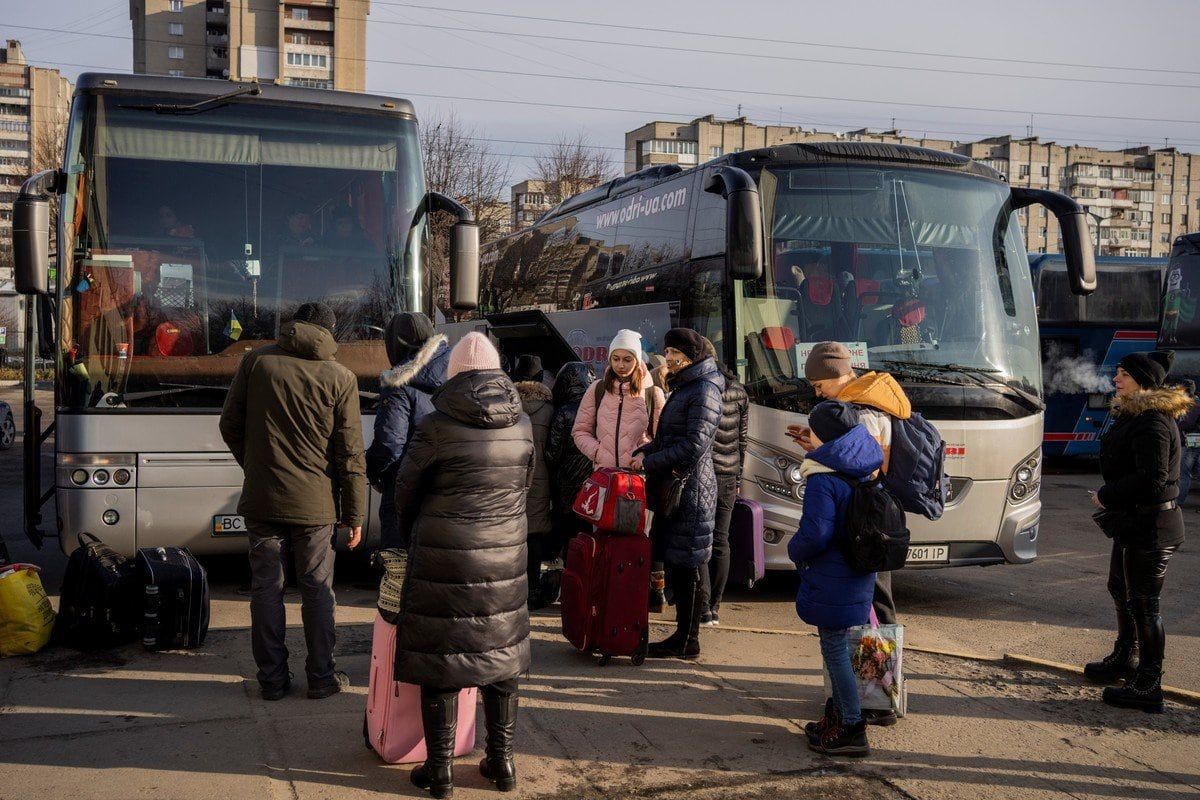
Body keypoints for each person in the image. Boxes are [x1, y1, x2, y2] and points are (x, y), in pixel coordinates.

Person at [391, 332, 534, 797]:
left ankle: (440, 772)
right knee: (501, 658)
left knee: (443, 662)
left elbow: (404, 491)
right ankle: (502, 763)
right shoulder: (522, 423)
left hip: (444, 557)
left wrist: (416, 534)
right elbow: (525, 486)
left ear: (453, 374)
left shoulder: (435, 425)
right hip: (505, 555)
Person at [219, 302, 365, 701]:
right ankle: (321, 678)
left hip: (263, 499)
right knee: (317, 589)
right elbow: (350, 454)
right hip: (316, 505)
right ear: (329, 332)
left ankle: (272, 681)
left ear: (294, 326)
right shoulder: (341, 378)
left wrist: (256, 467)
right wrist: (354, 512)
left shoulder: (257, 363)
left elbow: (229, 424)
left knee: (267, 589)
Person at [1087, 350, 1187, 713]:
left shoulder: (1153, 421)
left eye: (1124, 374)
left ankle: (1148, 685)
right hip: (1134, 523)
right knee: (1120, 590)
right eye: (1117, 372)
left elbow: (1153, 479)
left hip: (1153, 527)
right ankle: (1124, 659)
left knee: (1145, 606)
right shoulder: (1136, 414)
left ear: (1142, 381)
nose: (1116, 379)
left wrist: (1107, 494)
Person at [789, 341, 909, 630]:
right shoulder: (868, 402)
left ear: (835, 375)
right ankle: (874, 654)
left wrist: (824, 453)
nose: (818, 393)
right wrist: (820, 443)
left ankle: (881, 658)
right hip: (873, 512)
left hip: (866, 519)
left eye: (819, 385)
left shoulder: (862, 410)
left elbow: (863, 463)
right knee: (875, 597)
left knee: (876, 603)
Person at [788, 401, 881, 757]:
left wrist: (794, 549)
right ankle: (839, 715)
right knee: (837, 645)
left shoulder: (822, 477)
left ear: (824, 436)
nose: (808, 433)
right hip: (855, 569)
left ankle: (852, 726)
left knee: (834, 648)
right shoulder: (859, 464)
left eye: (812, 429)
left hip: (832, 572)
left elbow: (816, 533)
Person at [632, 327, 723, 659]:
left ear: (690, 356)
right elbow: (668, 438)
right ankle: (683, 637)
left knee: (688, 565)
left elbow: (695, 445)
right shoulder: (686, 386)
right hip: (678, 487)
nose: (667, 358)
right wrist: (646, 451)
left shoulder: (704, 389)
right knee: (679, 564)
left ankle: (687, 639)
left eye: (672, 353)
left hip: (691, 490)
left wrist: (649, 462)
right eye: (667, 352)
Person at [572, 329, 665, 606]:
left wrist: (643, 455)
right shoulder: (597, 390)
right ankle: (602, 599)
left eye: (627, 359)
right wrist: (597, 451)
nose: (621, 365)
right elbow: (580, 431)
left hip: (636, 484)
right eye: (616, 359)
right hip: (603, 481)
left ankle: (632, 600)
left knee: (635, 542)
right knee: (602, 540)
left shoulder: (652, 393)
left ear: (638, 360)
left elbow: (662, 439)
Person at [366, 312, 449, 549]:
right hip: (451, 485)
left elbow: (390, 443)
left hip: (406, 487)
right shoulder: (459, 370)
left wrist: (374, 471)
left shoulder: (398, 383)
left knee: (399, 561)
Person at [701, 337, 749, 626]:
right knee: (721, 539)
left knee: (700, 539)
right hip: (729, 473)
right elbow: (742, 439)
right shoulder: (739, 390)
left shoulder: (703, 386)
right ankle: (715, 606)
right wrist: (739, 476)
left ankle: (703, 606)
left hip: (704, 472)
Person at [544, 361, 596, 589]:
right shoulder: (598, 408)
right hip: (593, 485)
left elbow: (552, 455)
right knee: (588, 536)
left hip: (566, 486)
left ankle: (571, 585)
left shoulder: (563, 412)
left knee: (569, 536)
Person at [514, 354, 555, 609]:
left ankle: (513, 588)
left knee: (512, 533)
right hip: (541, 479)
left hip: (512, 477)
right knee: (535, 533)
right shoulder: (549, 409)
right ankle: (533, 587)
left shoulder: (508, 404)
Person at [1173, 379, 1200, 505]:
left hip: (1191, 441)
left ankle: (1178, 502)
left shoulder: (1193, 404)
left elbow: (1188, 423)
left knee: (1184, 472)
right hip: (1193, 440)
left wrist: (1176, 428)